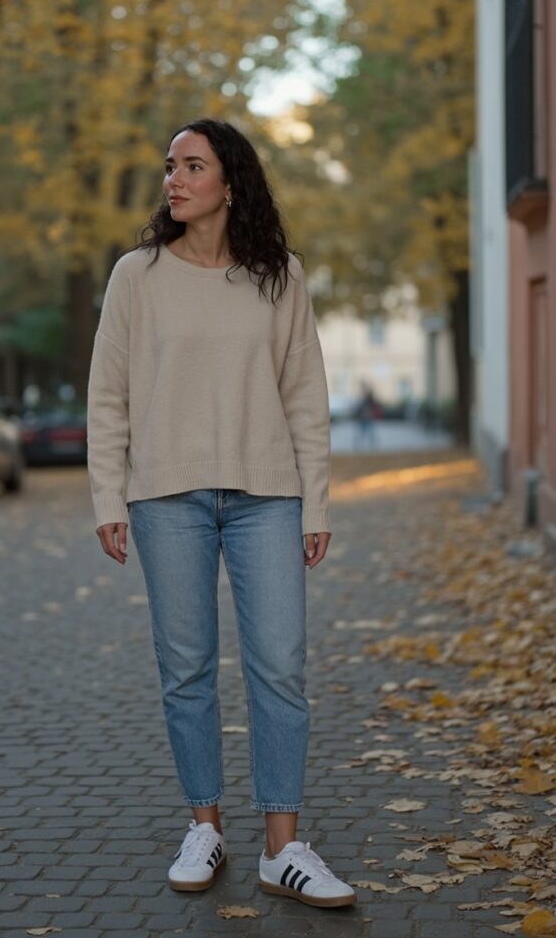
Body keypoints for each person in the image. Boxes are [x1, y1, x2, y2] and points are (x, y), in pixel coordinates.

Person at [86, 118, 356, 910]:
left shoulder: (280, 276)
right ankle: (203, 826)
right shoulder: (135, 276)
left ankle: (283, 848)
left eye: (191, 166)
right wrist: (108, 496)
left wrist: (314, 501)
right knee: (186, 671)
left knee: (280, 666)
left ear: (230, 183)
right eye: (169, 166)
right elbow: (108, 396)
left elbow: (305, 396)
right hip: (165, 498)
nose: (173, 179)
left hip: (266, 496)